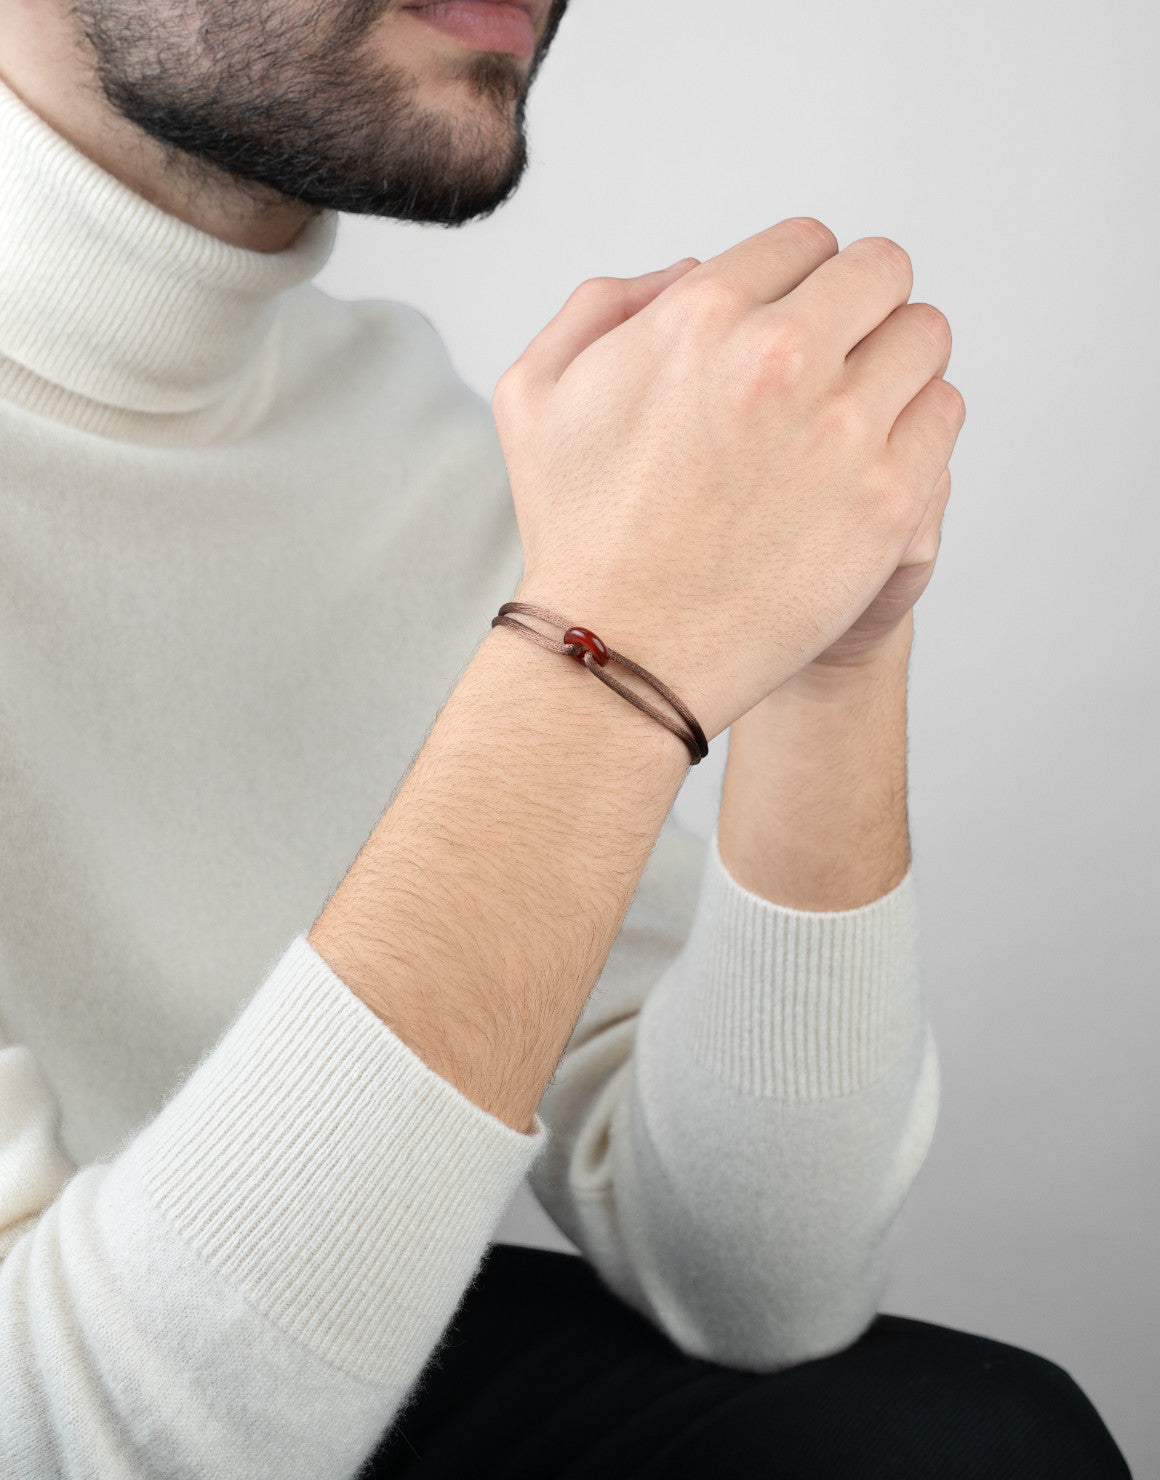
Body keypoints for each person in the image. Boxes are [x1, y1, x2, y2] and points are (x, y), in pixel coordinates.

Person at [0, 1, 1130, 1475]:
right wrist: (610, 652)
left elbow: (758, 1282)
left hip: (269, 1371)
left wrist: (826, 646)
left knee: (966, 1448)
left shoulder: (400, 437)